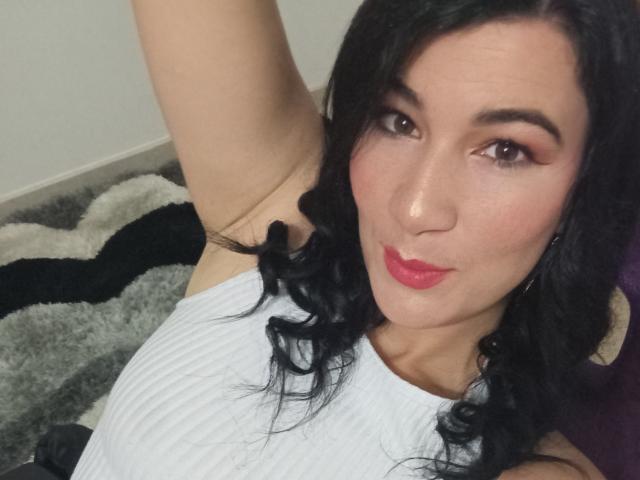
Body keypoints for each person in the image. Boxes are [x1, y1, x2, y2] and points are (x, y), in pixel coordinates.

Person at [65, 0, 640, 479]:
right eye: (398, 120)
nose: (415, 207)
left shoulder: (531, 468)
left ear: (586, 187)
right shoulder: (275, 223)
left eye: (505, 150)